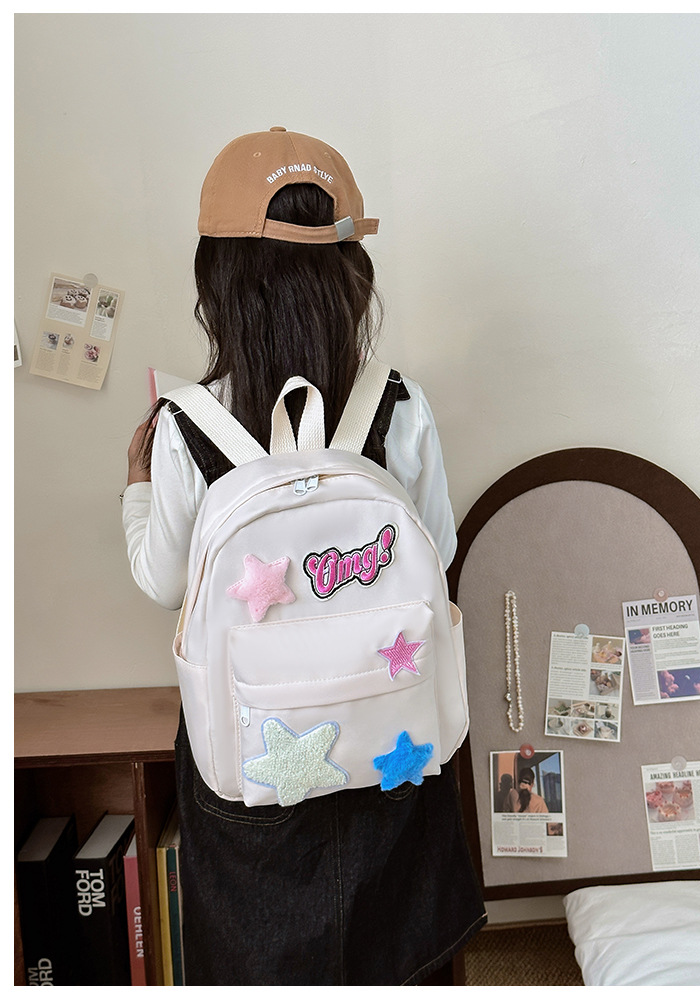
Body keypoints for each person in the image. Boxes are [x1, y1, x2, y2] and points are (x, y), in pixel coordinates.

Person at [122, 127, 486, 986]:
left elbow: (164, 582)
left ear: (217, 280)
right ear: (350, 271)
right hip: (394, 748)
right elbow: (437, 549)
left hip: (257, 757)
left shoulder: (185, 426)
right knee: (404, 962)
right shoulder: (399, 404)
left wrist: (137, 489)